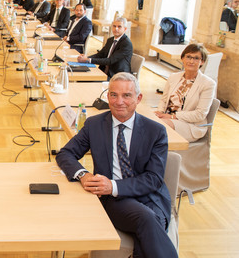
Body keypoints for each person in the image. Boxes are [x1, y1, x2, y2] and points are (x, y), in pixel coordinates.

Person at [56, 72, 177, 258]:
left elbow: (153, 179)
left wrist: (112, 185)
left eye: (126, 95)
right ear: (107, 96)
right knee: (146, 219)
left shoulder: (156, 131)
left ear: (138, 98)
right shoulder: (94, 124)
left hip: (151, 198)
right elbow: (66, 153)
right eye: (114, 95)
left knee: (148, 226)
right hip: (114, 200)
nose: (119, 101)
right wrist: (83, 175)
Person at [155, 44, 216, 142]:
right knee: (140, 120)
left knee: (157, 127)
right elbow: (164, 100)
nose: (191, 61)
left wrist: (172, 117)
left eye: (196, 58)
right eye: (188, 57)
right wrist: (160, 112)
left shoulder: (208, 84)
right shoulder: (173, 77)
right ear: (182, 58)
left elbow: (200, 114)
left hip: (190, 125)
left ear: (202, 62)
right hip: (167, 117)